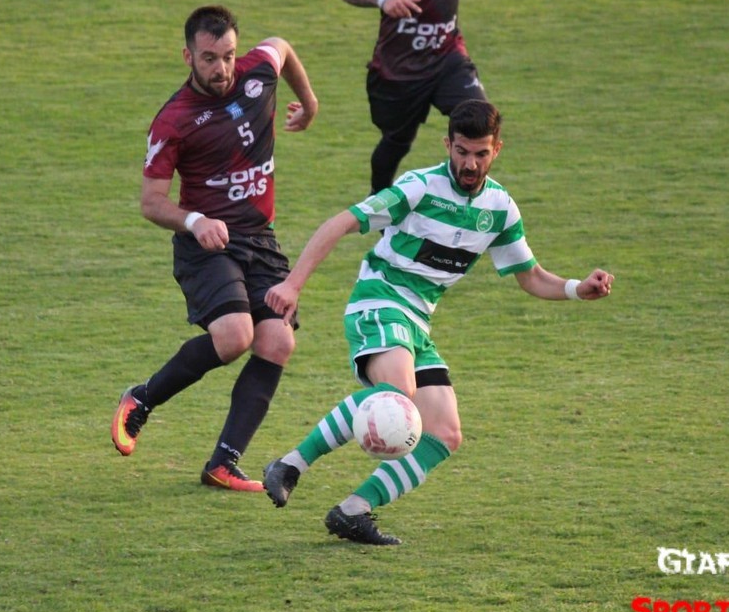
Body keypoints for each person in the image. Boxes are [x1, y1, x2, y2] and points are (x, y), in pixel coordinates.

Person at [262, 99, 613, 544]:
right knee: (397, 393)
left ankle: (353, 511)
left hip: (418, 322)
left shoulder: (500, 208)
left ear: (497, 150)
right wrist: (293, 285)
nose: (470, 164)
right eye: (462, 152)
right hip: (379, 300)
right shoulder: (419, 188)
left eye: (481, 154)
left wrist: (577, 288)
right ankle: (290, 464)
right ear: (448, 145)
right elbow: (340, 223)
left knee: (445, 433)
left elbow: (531, 277)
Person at [112, 5, 319, 493]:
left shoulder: (257, 72)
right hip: (207, 244)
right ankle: (141, 399)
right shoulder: (174, 120)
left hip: (260, 239)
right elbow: (151, 202)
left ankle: (224, 463)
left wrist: (309, 103)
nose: (222, 68)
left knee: (278, 341)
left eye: (228, 55)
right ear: (188, 56)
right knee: (234, 336)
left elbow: (282, 46)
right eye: (209, 58)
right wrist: (195, 220)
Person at [340, 0, 583, 194]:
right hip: (399, 68)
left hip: (448, 57)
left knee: (482, 122)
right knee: (397, 140)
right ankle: (378, 197)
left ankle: (469, 201)